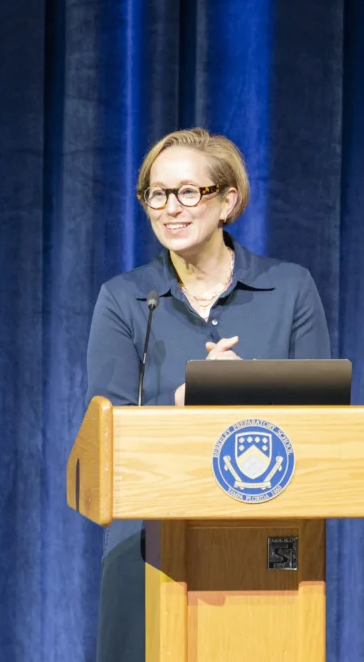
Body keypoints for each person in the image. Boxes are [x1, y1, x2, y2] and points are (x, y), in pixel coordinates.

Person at [86, 127, 331, 661]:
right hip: (147, 545)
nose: (169, 208)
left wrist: (248, 393)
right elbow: (105, 437)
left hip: (262, 544)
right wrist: (182, 404)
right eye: (157, 193)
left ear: (228, 201)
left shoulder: (290, 290)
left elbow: (325, 431)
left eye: (188, 192)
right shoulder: (126, 300)